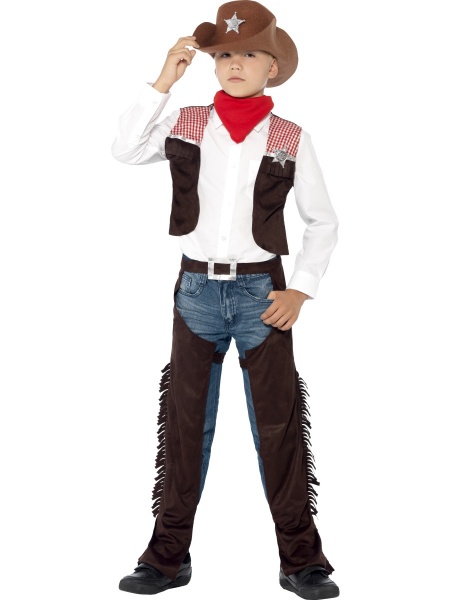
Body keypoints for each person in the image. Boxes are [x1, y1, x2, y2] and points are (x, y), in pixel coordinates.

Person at [111, 2, 339, 598]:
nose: (236, 63)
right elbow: (125, 149)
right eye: (226, 54)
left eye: (250, 54)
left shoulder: (290, 137)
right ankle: (166, 558)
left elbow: (322, 221)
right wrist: (163, 80)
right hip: (196, 292)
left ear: (272, 67)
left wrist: (301, 288)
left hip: (263, 291)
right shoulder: (186, 121)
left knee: (278, 425)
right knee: (185, 423)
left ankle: (302, 559)